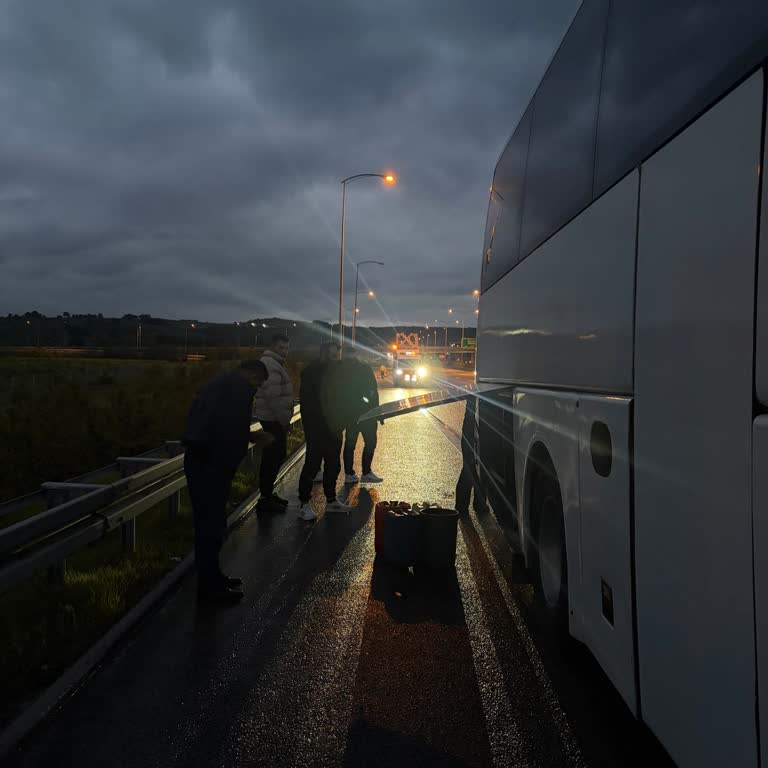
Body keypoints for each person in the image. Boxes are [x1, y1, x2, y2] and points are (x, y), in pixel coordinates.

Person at [182, 359, 268, 603]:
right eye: (258, 383)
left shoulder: (221, 384)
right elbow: (228, 429)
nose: (257, 389)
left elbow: (219, 424)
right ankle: (210, 589)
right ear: (250, 373)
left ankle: (213, 577)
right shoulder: (237, 389)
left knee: (209, 526)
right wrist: (252, 437)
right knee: (211, 528)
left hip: (201, 461)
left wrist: (248, 435)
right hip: (210, 466)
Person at [296, 342, 349, 520]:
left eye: (337, 356)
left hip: (334, 427)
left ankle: (332, 499)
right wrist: (312, 426)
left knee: (333, 464)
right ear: (323, 353)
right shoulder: (311, 372)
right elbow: (308, 403)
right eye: (332, 355)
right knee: (312, 465)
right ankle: (304, 503)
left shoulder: (338, 373)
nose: (335, 359)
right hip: (317, 427)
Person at [252, 333, 294, 514]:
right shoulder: (270, 364)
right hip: (273, 419)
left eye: (286, 348)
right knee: (273, 457)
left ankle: (267, 494)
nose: (284, 351)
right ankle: (265, 497)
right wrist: (284, 419)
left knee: (274, 457)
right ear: (272, 347)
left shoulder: (274, 363)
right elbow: (273, 397)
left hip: (273, 418)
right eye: (281, 347)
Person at [342, 352, 383, 484]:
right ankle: (365, 472)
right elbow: (374, 391)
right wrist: (377, 411)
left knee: (350, 444)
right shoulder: (364, 368)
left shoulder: (342, 370)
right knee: (369, 443)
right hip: (367, 414)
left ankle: (350, 473)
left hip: (353, 414)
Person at [455, 398, 477, 515]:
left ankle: (478, 504)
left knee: (473, 466)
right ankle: (462, 505)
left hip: (474, 424)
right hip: (474, 426)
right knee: (470, 466)